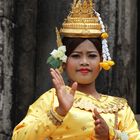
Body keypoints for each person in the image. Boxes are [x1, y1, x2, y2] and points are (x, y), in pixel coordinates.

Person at [12, 0, 140, 140]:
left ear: (102, 60)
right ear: (64, 61)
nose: (84, 62)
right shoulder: (52, 98)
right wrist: (59, 112)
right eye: (76, 56)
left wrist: (110, 135)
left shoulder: (120, 108)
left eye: (91, 56)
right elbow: (18, 137)